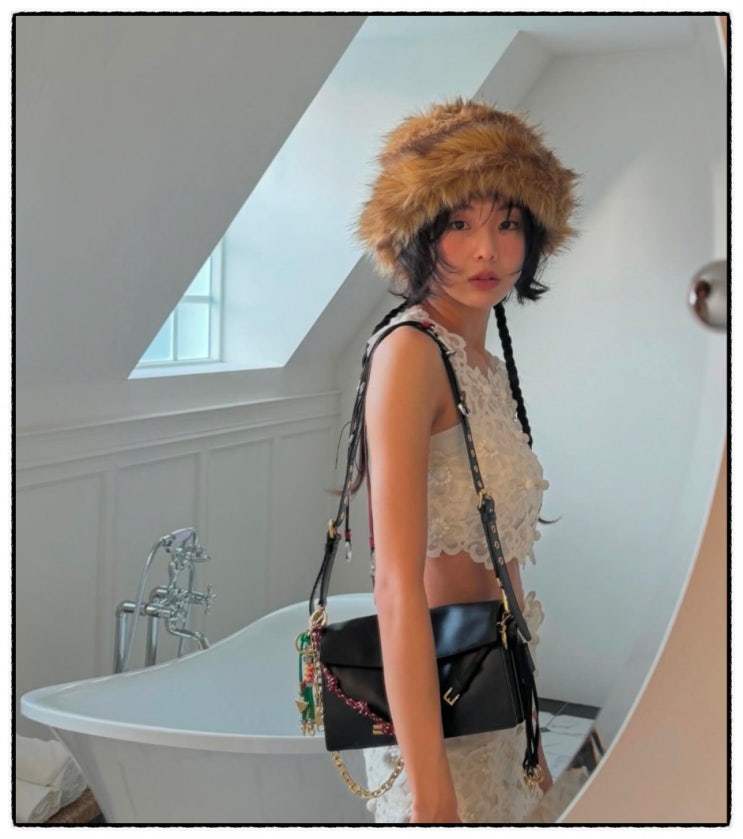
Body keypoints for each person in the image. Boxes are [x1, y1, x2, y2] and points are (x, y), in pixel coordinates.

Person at [353, 98, 578, 824]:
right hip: (437, 731)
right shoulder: (408, 354)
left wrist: (533, 740)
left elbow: (504, 563)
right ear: (418, 234)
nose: (488, 251)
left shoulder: (484, 363)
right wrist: (432, 797)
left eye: (507, 223)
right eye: (459, 223)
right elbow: (394, 584)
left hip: (499, 704)